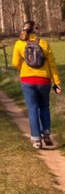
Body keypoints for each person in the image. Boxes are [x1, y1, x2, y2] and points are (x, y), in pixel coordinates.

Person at [11, 20, 62, 149]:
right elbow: (52, 65)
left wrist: (23, 70)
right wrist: (57, 83)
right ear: (35, 29)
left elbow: (14, 63)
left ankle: (36, 140)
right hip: (44, 81)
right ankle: (46, 133)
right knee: (45, 106)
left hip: (27, 81)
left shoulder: (19, 44)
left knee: (33, 108)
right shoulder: (44, 43)